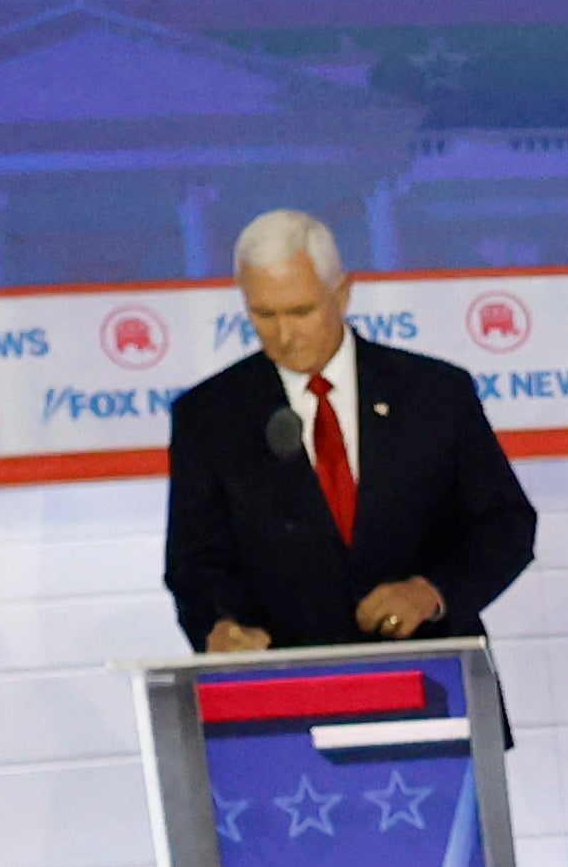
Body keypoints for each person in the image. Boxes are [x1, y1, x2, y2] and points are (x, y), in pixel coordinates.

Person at [166, 209, 536, 652]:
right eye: (264, 314)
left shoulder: (434, 393)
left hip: (431, 671)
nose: (284, 335)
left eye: (301, 311)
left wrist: (430, 591)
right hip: (286, 682)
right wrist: (218, 626)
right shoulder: (209, 416)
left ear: (341, 295)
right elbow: (194, 563)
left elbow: (505, 524)